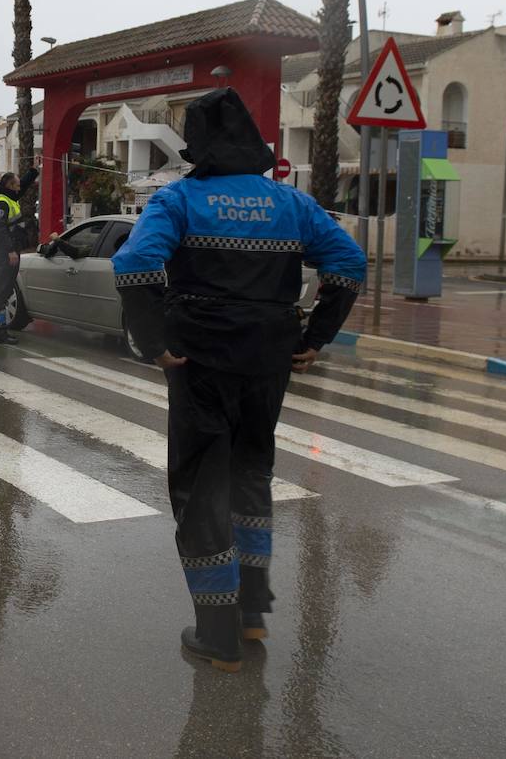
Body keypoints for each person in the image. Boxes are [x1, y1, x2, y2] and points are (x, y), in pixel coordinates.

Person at [112, 88, 366, 673]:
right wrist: (315, 336)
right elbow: (349, 262)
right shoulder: (293, 203)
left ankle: (217, 634)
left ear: (199, 145)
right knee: (251, 478)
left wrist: (154, 343)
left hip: (199, 361)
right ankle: (251, 613)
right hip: (268, 361)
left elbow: (135, 263)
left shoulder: (179, 199)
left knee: (202, 488)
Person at [0, 167, 39, 344]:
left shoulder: (8, 196)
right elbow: (0, 229)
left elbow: (23, 186)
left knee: (3, 292)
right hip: (4, 253)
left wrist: (34, 171)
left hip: (10, 251)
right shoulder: (1, 202)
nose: (19, 188)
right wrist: (10, 250)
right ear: (10, 186)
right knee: (0, 293)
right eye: (16, 185)